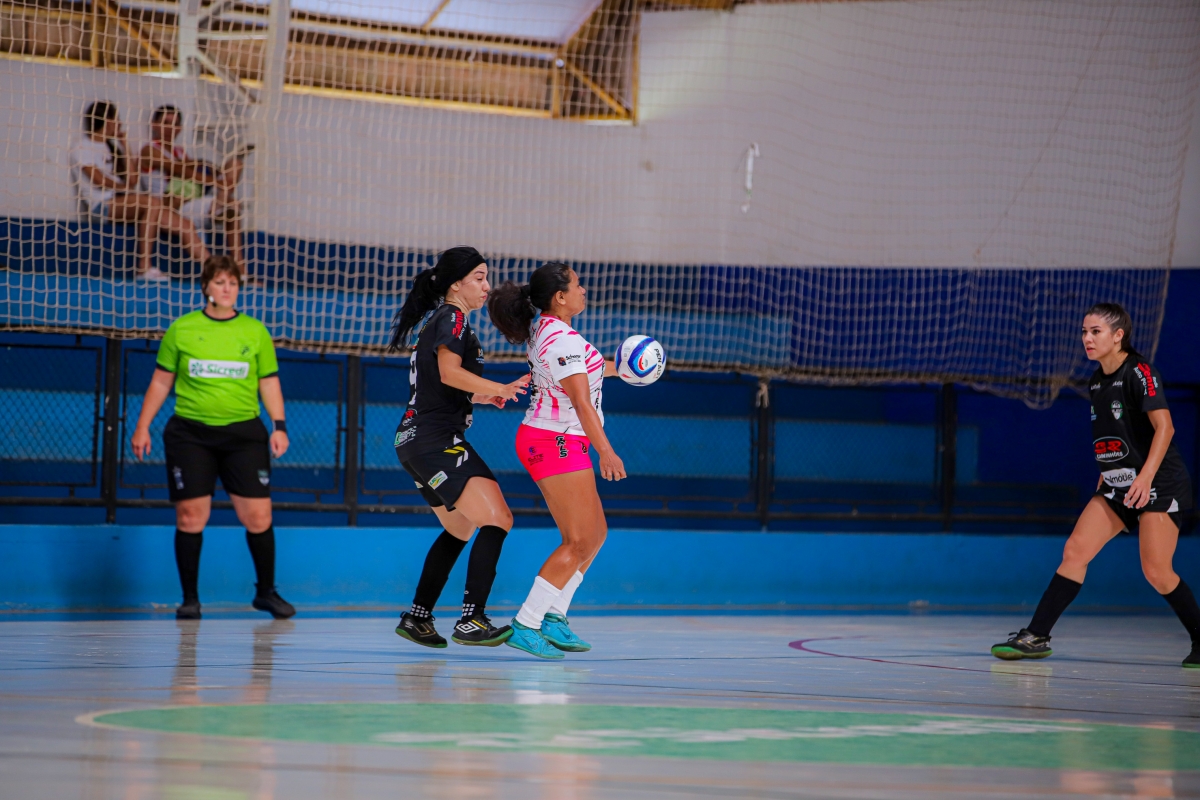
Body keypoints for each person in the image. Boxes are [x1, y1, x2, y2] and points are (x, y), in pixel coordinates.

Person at [991, 303, 1200, 668]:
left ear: (1118, 336)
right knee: (1075, 551)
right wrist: (1108, 472)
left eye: (1095, 331)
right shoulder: (1096, 380)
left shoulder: (1139, 372)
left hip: (1158, 483)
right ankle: (1036, 635)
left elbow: (1165, 428)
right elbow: (1114, 435)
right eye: (1084, 332)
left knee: (1157, 571)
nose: (1087, 338)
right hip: (1118, 484)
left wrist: (1146, 477)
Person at [130, 255, 294, 620]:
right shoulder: (182, 329)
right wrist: (142, 426)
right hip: (191, 434)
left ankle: (266, 592)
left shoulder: (254, 331)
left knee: (258, 516)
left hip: (244, 435)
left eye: (233, 283)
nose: (227, 289)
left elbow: (269, 381)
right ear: (206, 287)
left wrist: (279, 425)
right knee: (191, 516)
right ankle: (190, 600)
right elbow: (161, 381)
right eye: (220, 282)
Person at [389, 246, 530, 648]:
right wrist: (499, 386)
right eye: (479, 278)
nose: (486, 286)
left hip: (414, 441)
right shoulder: (452, 317)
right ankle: (472, 619)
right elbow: (450, 374)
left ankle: (418, 617)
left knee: (459, 526)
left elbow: (441, 384)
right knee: (498, 518)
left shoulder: (443, 321)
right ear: (455, 284)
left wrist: (486, 396)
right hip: (435, 440)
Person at [487, 262, 625, 659]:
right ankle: (526, 623)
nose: (584, 291)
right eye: (578, 285)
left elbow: (588, 371)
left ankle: (554, 615)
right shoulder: (562, 340)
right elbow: (580, 401)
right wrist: (606, 450)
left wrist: (629, 369)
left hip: (562, 439)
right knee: (578, 540)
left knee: (595, 534)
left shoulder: (552, 329)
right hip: (553, 440)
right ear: (560, 297)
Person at [70, 100, 209, 280]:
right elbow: (99, 180)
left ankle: (213, 270)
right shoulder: (82, 146)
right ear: (107, 121)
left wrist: (124, 145)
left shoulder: (112, 148)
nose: (120, 124)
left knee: (186, 226)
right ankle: (144, 268)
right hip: (102, 206)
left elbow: (133, 180)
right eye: (116, 120)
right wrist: (125, 188)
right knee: (152, 203)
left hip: (124, 201)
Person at [140, 105, 251, 268]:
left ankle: (241, 270)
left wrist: (210, 170)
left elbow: (191, 170)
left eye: (175, 124)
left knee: (235, 168)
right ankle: (220, 203)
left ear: (180, 128)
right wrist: (215, 181)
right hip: (167, 206)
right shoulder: (149, 149)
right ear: (155, 125)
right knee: (227, 203)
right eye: (166, 123)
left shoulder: (180, 152)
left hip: (188, 203)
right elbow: (179, 170)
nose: (170, 128)